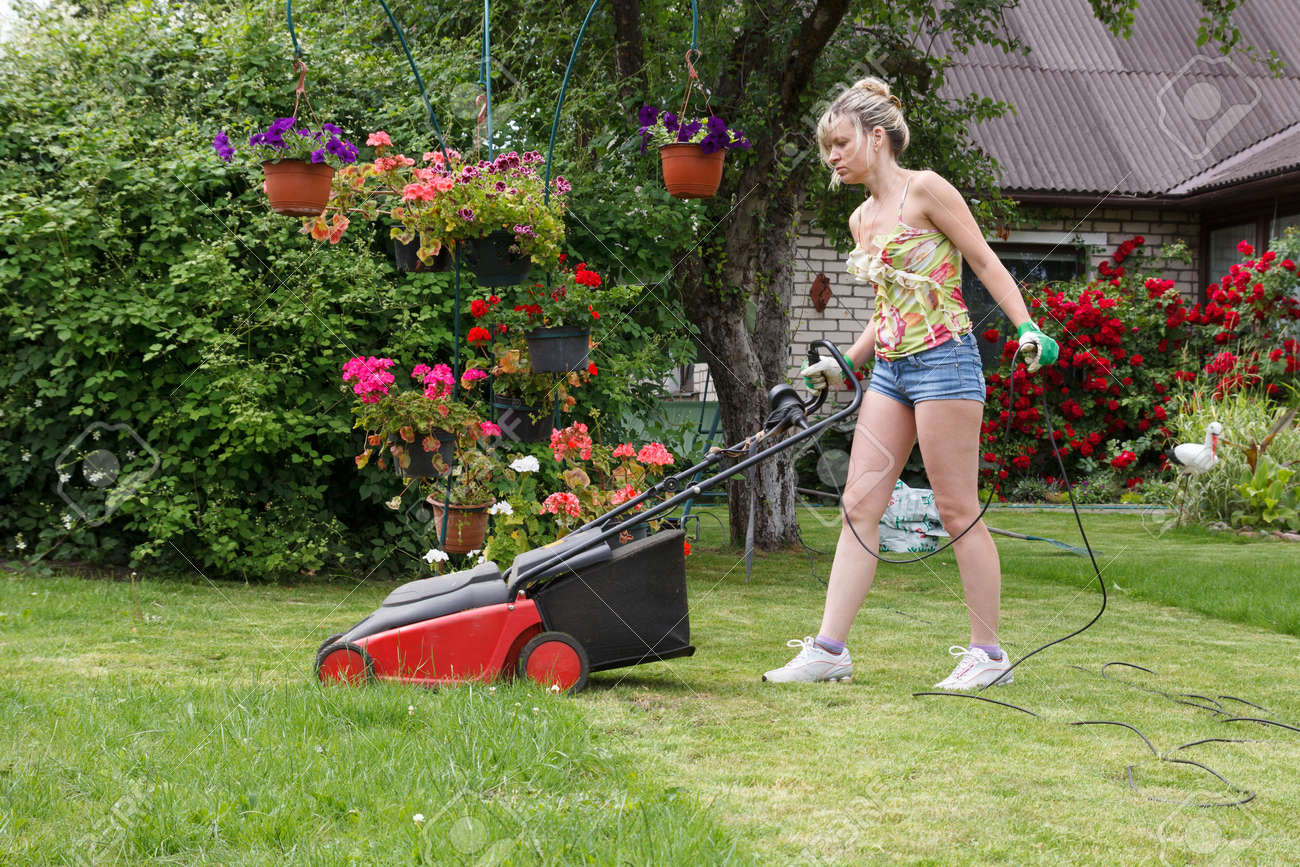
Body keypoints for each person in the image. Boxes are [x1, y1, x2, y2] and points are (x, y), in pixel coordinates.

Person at [763, 77, 1058, 689]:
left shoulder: (926, 190)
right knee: (858, 505)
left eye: (840, 143)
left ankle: (989, 656)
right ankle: (829, 650)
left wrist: (1029, 327)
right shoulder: (859, 219)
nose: (833, 157)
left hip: (947, 361)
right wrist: (844, 362)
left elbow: (984, 260)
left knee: (957, 510)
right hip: (893, 371)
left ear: (876, 137)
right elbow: (884, 311)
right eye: (826, 149)